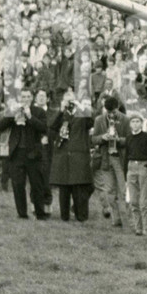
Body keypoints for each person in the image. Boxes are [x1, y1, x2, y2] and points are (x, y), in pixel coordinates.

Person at [0, 88, 50, 220]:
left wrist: (30, 117)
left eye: (28, 97)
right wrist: (11, 116)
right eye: (23, 97)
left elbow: (43, 128)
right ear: (19, 98)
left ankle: (40, 213)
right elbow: (0, 126)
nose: (25, 99)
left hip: (33, 152)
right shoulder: (14, 110)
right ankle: (22, 214)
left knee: (37, 184)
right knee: (17, 184)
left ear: (32, 98)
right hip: (16, 153)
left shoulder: (39, 111)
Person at [49, 92, 94, 222]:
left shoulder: (81, 114)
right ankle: (64, 216)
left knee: (79, 187)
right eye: (67, 101)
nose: (70, 103)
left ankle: (81, 216)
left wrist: (80, 107)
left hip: (78, 155)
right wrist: (60, 111)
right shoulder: (62, 115)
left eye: (72, 101)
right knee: (64, 189)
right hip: (63, 155)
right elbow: (52, 129)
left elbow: (91, 122)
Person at [91, 96, 130, 228]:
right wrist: (103, 137)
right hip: (106, 159)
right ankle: (116, 219)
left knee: (124, 191)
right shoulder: (99, 120)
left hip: (120, 158)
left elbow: (130, 140)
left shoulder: (125, 120)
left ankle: (129, 219)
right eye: (108, 112)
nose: (111, 115)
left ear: (118, 108)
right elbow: (94, 139)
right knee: (109, 191)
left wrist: (119, 140)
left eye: (113, 112)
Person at [123, 112, 147, 236]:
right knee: (133, 201)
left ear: (142, 123)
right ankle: (138, 227)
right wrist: (126, 171)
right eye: (133, 122)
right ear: (130, 124)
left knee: (144, 200)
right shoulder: (129, 137)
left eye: (138, 121)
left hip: (143, 166)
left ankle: (146, 228)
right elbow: (126, 155)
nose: (135, 124)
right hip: (131, 167)